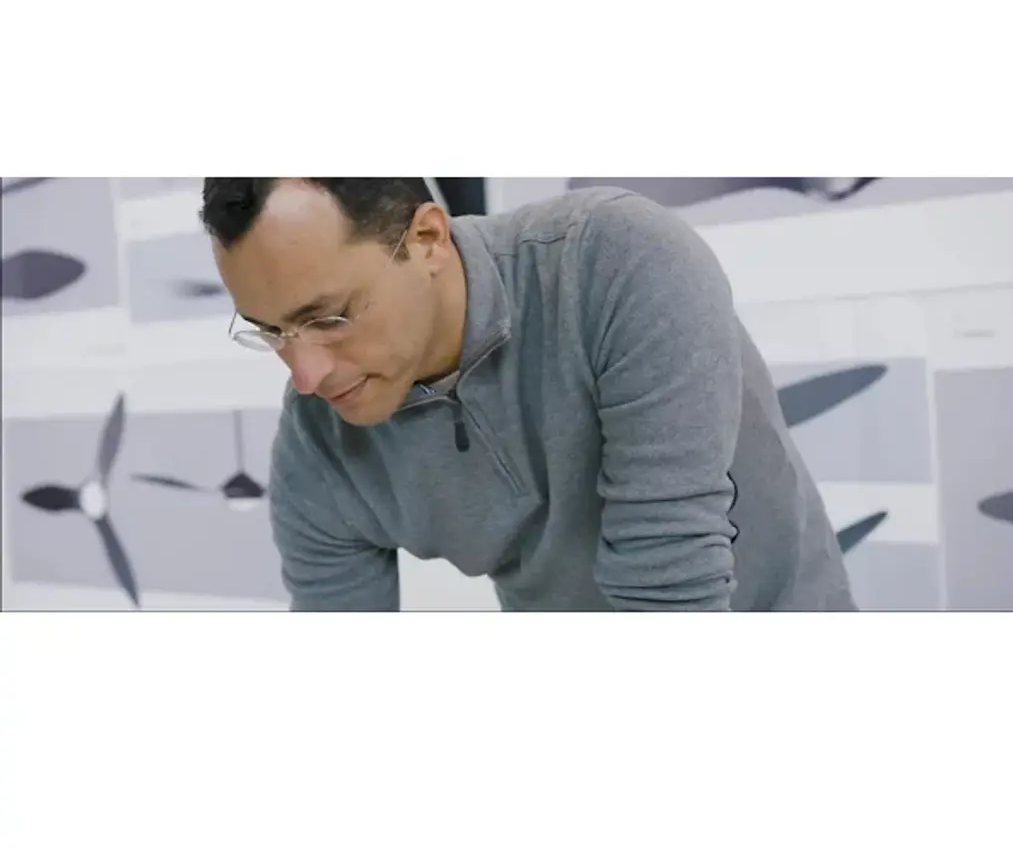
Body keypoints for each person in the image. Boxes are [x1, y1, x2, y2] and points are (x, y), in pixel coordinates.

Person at [203, 178, 857, 611]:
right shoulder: (316, 452)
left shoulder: (618, 263)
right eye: (271, 332)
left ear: (427, 239)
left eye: (329, 317)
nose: (306, 375)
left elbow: (667, 592)